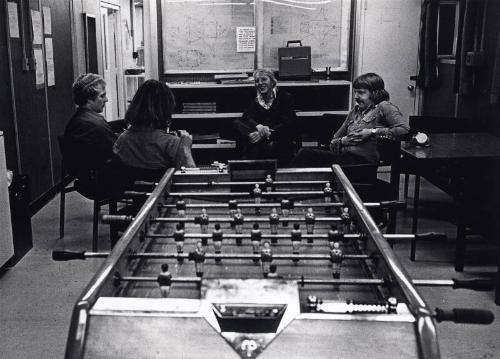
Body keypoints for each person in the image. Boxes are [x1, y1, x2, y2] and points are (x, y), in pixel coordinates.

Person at [290, 73, 409, 171]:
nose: (356, 96)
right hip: (345, 158)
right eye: (355, 92)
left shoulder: (384, 107)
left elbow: (405, 130)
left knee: (318, 168)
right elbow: (334, 140)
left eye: (361, 92)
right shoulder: (355, 111)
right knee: (305, 154)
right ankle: (285, 191)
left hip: (363, 164)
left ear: (374, 93)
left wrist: (372, 132)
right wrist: (343, 141)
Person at [113, 79, 196, 170]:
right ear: (166, 108)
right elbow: (191, 179)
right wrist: (185, 148)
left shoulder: (122, 140)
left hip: (129, 184)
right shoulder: (172, 144)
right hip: (161, 184)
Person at [64, 73, 117, 195]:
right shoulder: (95, 124)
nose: (106, 99)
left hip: (85, 179)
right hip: (100, 183)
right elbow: (118, 150)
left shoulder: (77, 120)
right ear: (89, 99)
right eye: (102, 96)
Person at [233, 69, 298, 165]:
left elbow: (288, 122)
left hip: (277, 138)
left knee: (286, 130)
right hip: (257, 138)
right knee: (237, 123)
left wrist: (266, 133)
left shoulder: (285, 97)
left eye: (263, 79)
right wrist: (258, 126)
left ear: (272, 82)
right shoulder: (252, 97)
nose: (260, 83)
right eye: (257, 81)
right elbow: (247, 118)